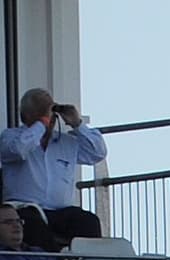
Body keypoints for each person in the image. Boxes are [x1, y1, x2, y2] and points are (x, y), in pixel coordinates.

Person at [1, 89, 108, 247]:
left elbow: (98, 153)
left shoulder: (67, 143)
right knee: (34, 226)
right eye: (42, 113)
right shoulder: (11, 137)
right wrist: (41, 125)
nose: (50, 119)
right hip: (24, 208)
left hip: (61, 211)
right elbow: (19, 149)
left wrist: (77, 124)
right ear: (27, 115)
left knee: (88, 221)